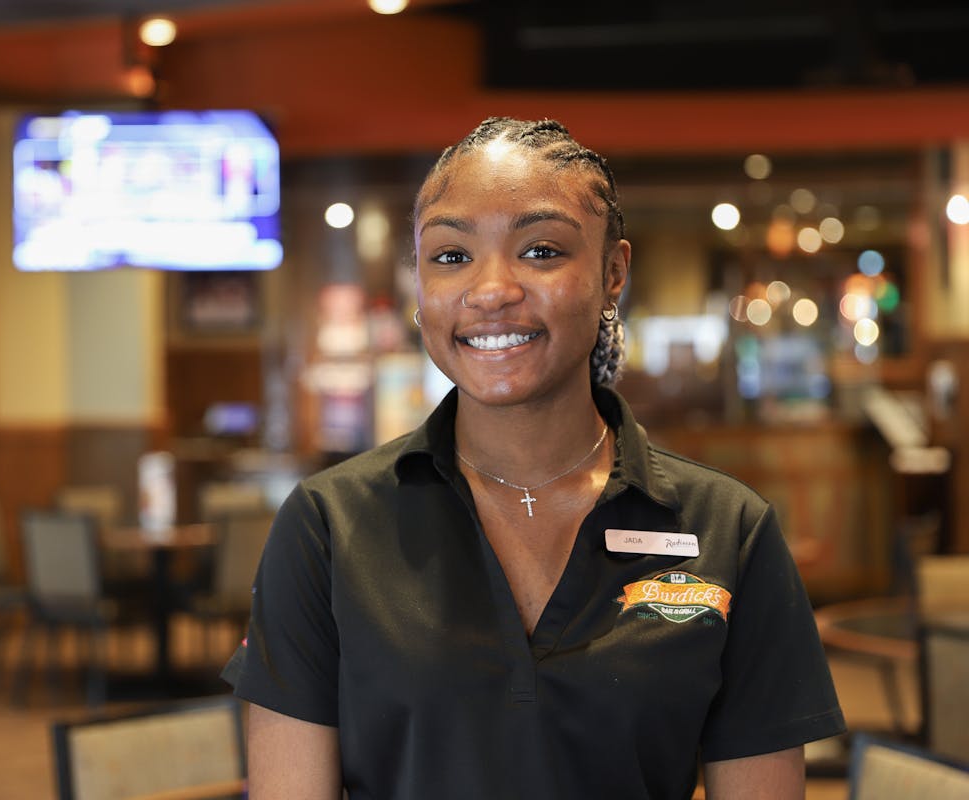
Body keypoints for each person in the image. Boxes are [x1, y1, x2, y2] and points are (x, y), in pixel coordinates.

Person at [222, 116, 846, 799]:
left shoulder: (731, 529)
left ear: (613, 273)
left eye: (541, 250)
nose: (490, 290)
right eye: (451, 256)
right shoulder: (327, 528)